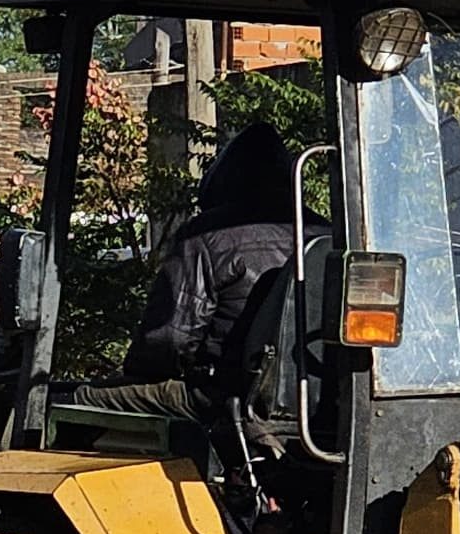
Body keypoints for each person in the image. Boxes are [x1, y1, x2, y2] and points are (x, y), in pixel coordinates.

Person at [68, 127, 302, 419]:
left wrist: (135, 372)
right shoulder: (323, 232)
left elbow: (168, 340)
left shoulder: (210, 236)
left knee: (80, 399)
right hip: (307, 405)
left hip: (224, 397)